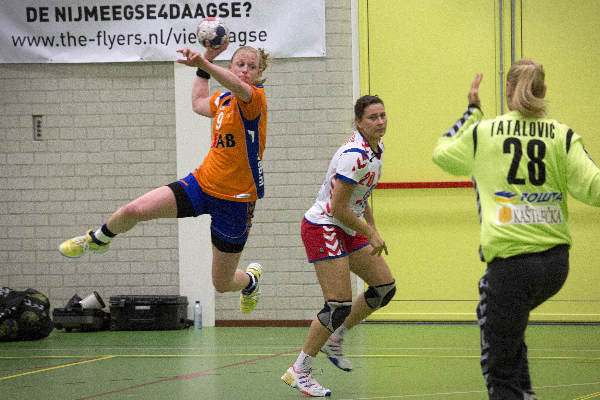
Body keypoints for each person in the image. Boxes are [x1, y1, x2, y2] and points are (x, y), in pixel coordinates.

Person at [59, 39, 272, 314]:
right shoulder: (223, 100)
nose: (245, 70)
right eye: (240, 64)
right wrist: (204, 63)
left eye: (251, 67)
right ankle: (97, 238)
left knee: (221, 283)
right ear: (231, 65)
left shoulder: (254, 98)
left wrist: (204, 62)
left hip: (236, 202)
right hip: (202, 184)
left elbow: (238, 86)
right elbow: (197, 103)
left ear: (258, 74)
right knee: (135, 209)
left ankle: (251, 280)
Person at [433, 59, 600, 400]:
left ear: (508, 90)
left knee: (500, 370)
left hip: (511, 265)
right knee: (511, 335)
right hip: (555, 266)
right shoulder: (563, 135)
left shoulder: (484, 134)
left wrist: (473, 113)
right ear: (544, 92)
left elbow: (442, 154)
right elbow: (594, 188)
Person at [281, 95, 396, 397]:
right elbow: (337, 207)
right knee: (338, 305)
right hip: (324, 225)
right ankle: (299, 370)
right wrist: (370, 233)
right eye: (372, 117)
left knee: (384, 288)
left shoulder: (377, 149)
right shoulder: (353, 155)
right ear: (359, 122)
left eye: (383, 115)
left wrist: (370, 226)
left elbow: (362, 195)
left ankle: (337, 336)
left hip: (347, 224)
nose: (380, 121)